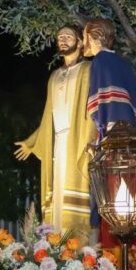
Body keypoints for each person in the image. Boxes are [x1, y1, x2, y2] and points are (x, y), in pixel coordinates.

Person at [81, 17, 136, 250]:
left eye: (85, 36)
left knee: (116, 206)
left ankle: (120, 269)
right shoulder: (121, 63)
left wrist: (107, 143)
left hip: (119, 153)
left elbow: (110, 108)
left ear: (93, 36)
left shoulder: (101, 62)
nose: (83, 42)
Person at [14, 23, 95, 235]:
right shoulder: (54, 76)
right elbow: (47, 117)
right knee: (57, 197)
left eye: (68, 36)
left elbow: (96, 107)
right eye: (60, 37)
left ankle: (79, 251)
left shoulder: (89, 70)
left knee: (76, 196)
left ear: (79, 41)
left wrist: (93, 140)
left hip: (78, 141)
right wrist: (32, 142)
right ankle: (56, 249)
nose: (63, 40)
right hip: (57, 142)